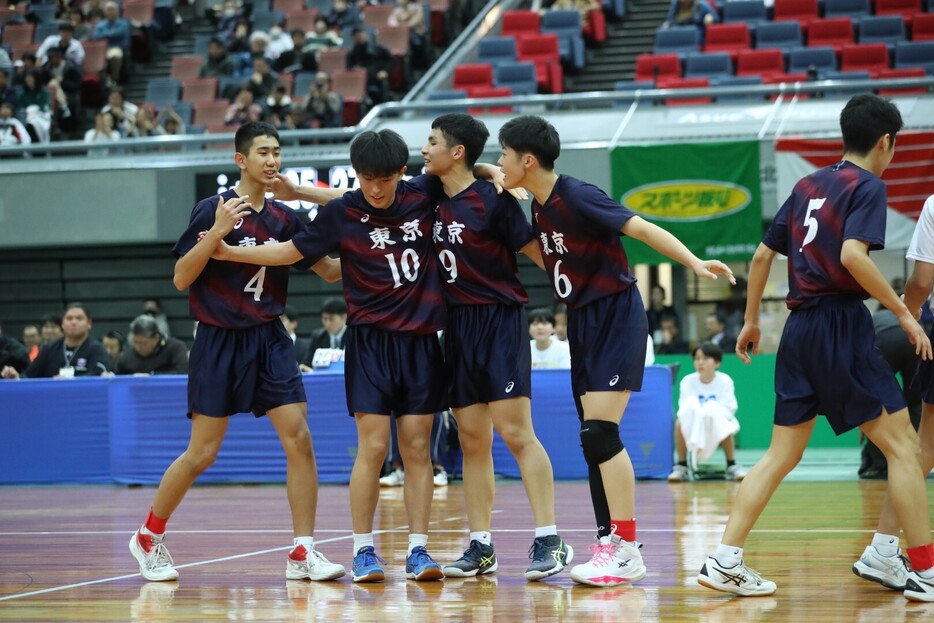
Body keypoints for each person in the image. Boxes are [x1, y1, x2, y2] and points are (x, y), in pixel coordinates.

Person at [696, 94, 934, 602]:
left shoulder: (807, 184)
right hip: (841, 326)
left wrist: (752, 319)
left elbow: (762, 255)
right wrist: (903, 311)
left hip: (797, 327)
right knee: (904, 448)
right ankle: (924, 570)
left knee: (782, 454)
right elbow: (853, 255)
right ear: (885, 142)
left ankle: (725, 559)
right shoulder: (867, 185)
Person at [497, 114, 734, 588]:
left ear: (527, 160)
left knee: (602, 433)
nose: (499, 163)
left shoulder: (578, 194)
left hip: (616, 315)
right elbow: (545, 252)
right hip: (583, 320)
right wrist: (490, 179)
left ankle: (626, 549)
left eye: (504, 154)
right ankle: (608, 543)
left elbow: (642, 229)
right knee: (592, 442)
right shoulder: (539, 207)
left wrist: (692, 261)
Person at [211, 129, 452, 584]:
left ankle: (419, 550)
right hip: (369, 344)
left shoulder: (423, 193)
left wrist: (492, 170)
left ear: (402, 173)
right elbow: (290, 251)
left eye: (384, 178)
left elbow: (462, 173)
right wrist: (228, 251)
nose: (375, 189)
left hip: (421, 340)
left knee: (418, 448)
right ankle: (364, 550)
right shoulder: (342, 211)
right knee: (375, 448)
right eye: (365, 178)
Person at [127, 121, 345, 584]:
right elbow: (182, 278)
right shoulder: (212, 208)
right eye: (263, 152)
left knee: (300, 438)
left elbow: (328, 271)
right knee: (202, 452)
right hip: (218, 339)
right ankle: (148, 535)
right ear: (240, 160)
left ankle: (303, 551)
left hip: (269, 337)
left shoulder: (286, 218)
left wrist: (370, 248)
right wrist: (216, 234)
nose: (272, 160)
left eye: (277, 152)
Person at [418, 113, 571, 581]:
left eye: (432, 141)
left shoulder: (493, 200)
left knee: (516, 431)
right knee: (470, 439)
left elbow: (536, 252)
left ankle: (550, 538)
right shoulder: (426, 198)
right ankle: (481, 546)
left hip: (500, 321)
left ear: (457, 150)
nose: (424, 150)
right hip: (457, 328)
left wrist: (581, 287)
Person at [852, 194, 934, 596]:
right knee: (912, 446)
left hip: (921, 329)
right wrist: (908, 316)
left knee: (919, 448)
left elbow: (921, 283)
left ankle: (883, 548)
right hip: (907, 334)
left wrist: (910, 312)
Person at [666, 342, 747, 482]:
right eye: (697, 359)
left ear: (717, 362)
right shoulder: (687, 381)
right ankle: (682, 466)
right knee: (679, 423)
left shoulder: (725, 381)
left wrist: (710, 413)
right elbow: (685, 409)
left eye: (705, 358)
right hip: (694, 423)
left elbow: (728, 408)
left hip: (717, 420)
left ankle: (731, 465)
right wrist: (700, 418)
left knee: (727, 424)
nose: (700, 362)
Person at [1, 303, 110, 379]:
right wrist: (17, 378)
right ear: (62, 323)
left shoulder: (97, 349)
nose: (73, 322)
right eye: (69, 318)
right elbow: (30, 375)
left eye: (79, 318)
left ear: (89, 323)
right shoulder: (49, 349)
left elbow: (98, 376)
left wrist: (72, 381)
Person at [115, 315, 189, 375]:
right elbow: (117, 378)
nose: (138, 347)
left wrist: (152, 376)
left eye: (143, 343)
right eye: (135, 342)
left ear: (156, 338)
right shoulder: (127, 356)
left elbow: (182, 372)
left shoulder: (175, 348)